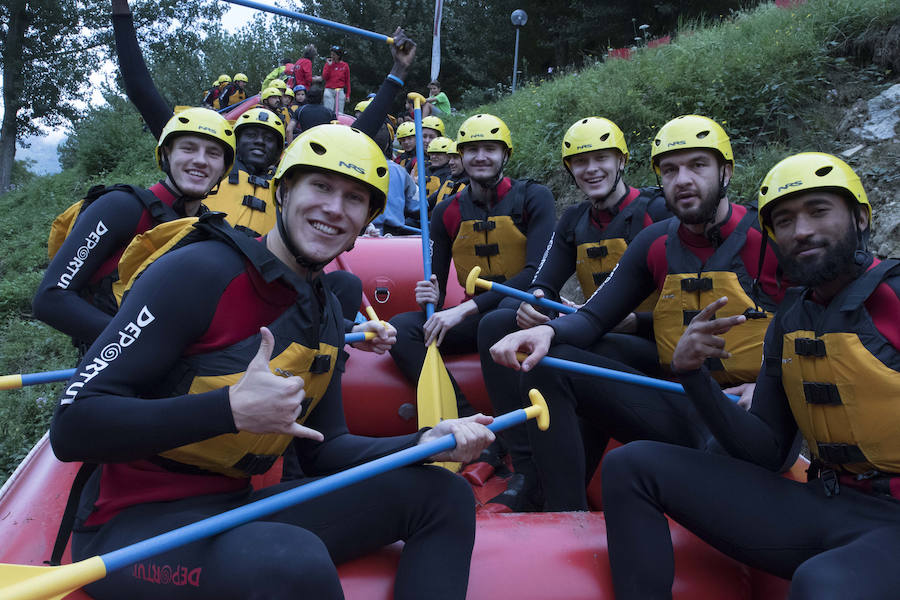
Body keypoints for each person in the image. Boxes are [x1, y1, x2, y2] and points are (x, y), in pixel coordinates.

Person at [50, 124, 495, 600]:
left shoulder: (323, 311)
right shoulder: (198, 273)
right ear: (284, 192)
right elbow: (73, 425)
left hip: (232, 510)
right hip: (129, 530)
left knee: (442, 495)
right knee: (289, 562)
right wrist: (228, 409)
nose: (333, 208)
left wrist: (421, 443)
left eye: (353, 198)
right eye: (320, 187)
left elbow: (327, 448)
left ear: (365, 220)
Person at [601, 152, 900, 599]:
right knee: (631, 464)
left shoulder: (894, 298)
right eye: (783, 221)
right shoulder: (791, 318)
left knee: (820, 583)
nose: (801, 231)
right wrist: (692, 375)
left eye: (818, 211)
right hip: (825, 503)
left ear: (860, 218)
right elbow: (766, 450)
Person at [490, 115, 786, 511]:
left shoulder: (767, 242)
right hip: (684, 400)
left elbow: (815, 330)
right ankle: (563, 512)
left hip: (749, 415)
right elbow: (594, 317)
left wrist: (770, 388)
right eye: (670, 169)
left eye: (697, 165)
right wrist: (549, 333)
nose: (682, 179)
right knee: (554, 359)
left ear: (726, 171)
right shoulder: (655, 243)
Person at [475, 116, 670, 512]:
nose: (591, 169)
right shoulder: (575, 220)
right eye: (581, 161)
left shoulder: (657, 213)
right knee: (498, 321)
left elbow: (686, 304)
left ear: (621, 161)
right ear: (571, 170)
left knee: (566, 357)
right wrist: (535, 303)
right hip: (598, 330)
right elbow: (544, 281)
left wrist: (636, 321)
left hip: (653, 342)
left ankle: (562, 494)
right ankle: (526, 464)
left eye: (601, 158)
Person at [389, 113, 556, 421]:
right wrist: (429, 296)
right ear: (461, 156)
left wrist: (465, 309)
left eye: (490, 149)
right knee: (402, 329)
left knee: (499, 316)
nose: (481, 157)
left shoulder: (534, 197)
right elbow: (436, 296)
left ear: (505, 154)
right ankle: (464, 415)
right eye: (472, 150)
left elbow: (537, 272)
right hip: (479, 319)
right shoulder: (445, 212)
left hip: (524, 313)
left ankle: (516, 438)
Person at [32, 108, 235, 350]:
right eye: (188, 148)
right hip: (109, 370)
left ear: (224, 168)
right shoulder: (121, 207)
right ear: (167, 154)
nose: (200, 160)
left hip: (174, 374)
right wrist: (137, 345)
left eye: (213, 153)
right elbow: (50, 298)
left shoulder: (213, 231)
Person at [371, 124, 419, 236]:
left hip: (359, 235)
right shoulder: (399, 171)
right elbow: (419, 206)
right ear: (388, 144)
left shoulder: (350, 169)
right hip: (391, 238)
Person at [428, 140, 468, 207]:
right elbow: (428, 203)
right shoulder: (449, 179)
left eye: (455, 158)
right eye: (450, 158)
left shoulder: (472, 186)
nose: (450, 162)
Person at [322, 45, 350, 114]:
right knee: (328, 112)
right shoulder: (328, 64)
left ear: (339, 55)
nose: (332, 56)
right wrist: (329, 66)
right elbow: (325, 77)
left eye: (334, 54)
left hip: (340, 91)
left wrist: (347, 95)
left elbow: (347, 81)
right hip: (329, 90)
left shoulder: (345, 65)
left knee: (339, 113)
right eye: (331, 54)